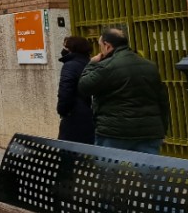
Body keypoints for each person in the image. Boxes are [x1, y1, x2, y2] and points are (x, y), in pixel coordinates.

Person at [78, 26, 170, 154]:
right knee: (150, 172)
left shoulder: (106, 67)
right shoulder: (149, 66)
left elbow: (84, 86)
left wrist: (92, 64)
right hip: (149, 131)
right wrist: (163, 129)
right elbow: (163, 100)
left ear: (107, 45)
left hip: (115, 132)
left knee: (108, 171)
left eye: (100, 46)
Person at [56, 35, 94, 144]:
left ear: (72, 49)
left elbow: (65, 92)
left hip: (74, 115)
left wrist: (62, 111)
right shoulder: (89, 63)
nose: (63, 50)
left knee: (67, 153)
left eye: (65, 47)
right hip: (90, 115)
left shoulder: (70, 66)